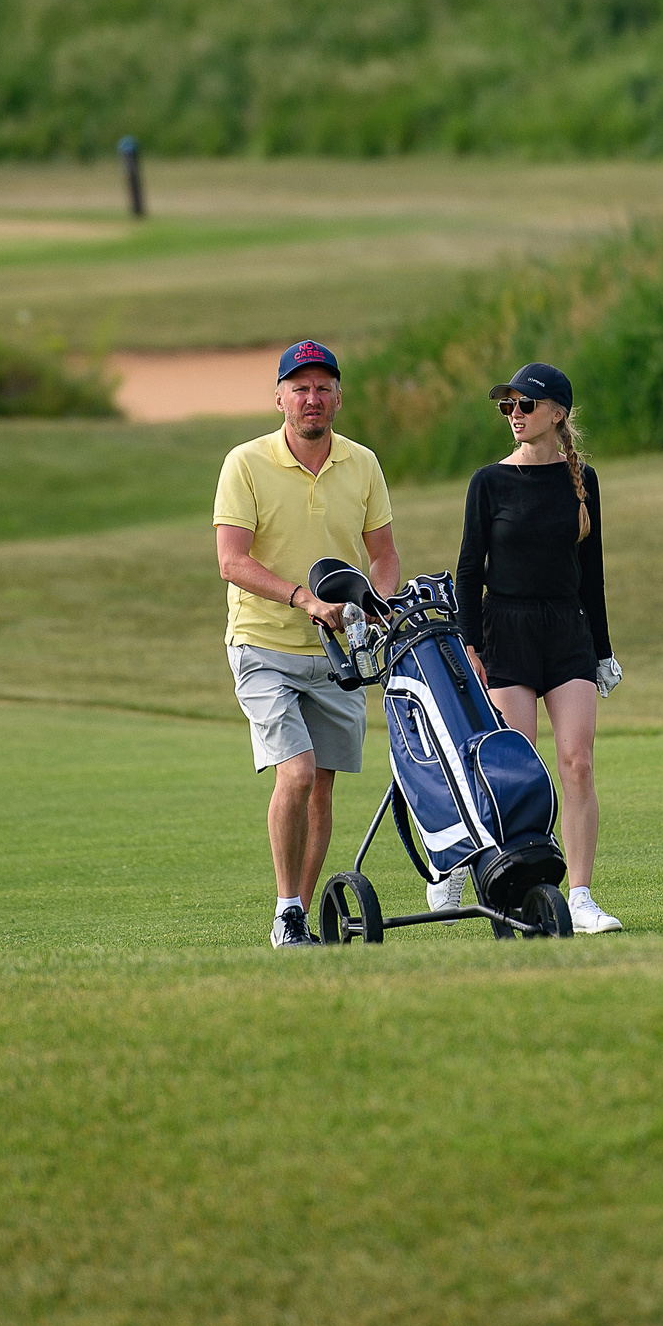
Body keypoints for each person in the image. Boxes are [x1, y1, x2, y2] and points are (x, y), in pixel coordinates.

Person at [215, 340, 400, 948]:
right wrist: (304, 600)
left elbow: (384, 556)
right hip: (264, 645)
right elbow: (231, 561)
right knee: (293, 775)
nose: (311, 398)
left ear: (339, 397)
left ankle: (298, 917)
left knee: (322, 784)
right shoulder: (245, 463)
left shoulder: (363, 464)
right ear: (279, 399)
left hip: (337, 652)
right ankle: (287, 910)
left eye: (323, 388)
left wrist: (376, 612)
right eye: (300, 388)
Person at [452, 362, 625, 934]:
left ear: (557, 414)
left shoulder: (584, 481)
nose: (515, 416)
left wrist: (601, 651)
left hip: (566, 631)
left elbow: (591, 572)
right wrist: (472, 646)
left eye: (525, 406)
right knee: (518, 770)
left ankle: (579, 897)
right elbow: (468, 573)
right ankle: (511, 886)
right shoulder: (489, 482)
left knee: (577, 762)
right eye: (507, 407)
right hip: (506, 631)